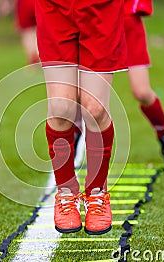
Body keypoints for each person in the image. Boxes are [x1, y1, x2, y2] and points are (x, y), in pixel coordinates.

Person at [36, 0, 127, 235]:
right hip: (55, 6)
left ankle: (97, 194)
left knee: (95, 108)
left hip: (101, 7)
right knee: (60, 107)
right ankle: (66, 194)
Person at [123, 0, 164, 170]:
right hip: (94, 22)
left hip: (126, 21)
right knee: (83, 92)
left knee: (141, 92)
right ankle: (74, 145)